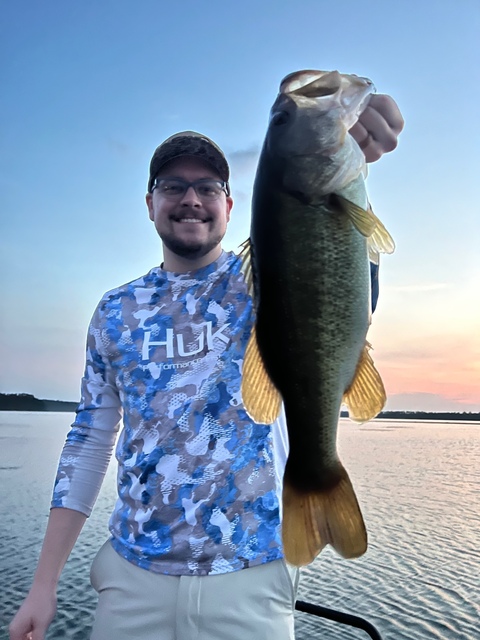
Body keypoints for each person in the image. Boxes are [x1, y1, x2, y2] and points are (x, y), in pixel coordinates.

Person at [9, 93, 404, 640]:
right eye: (173, 186)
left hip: (252, 576)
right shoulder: (114, 310)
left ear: (230, 205)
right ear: (149, 203)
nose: (190, 198)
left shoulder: (262, 282)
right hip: (131, 578)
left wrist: (350, 156)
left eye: (208, 187)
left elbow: (336, 287)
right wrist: (44, 584)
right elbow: (90, 439)